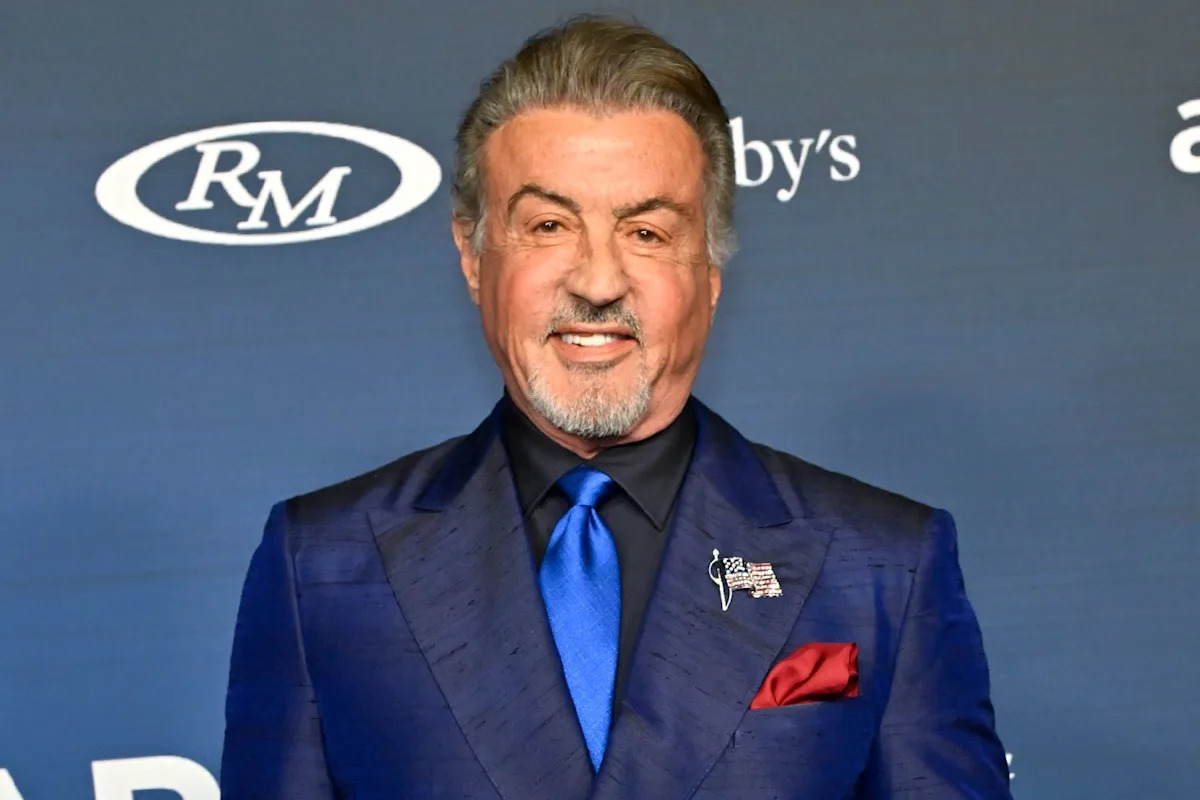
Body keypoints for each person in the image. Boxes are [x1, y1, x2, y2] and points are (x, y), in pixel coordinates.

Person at [220, 15, 1012, 800]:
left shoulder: (883, 568)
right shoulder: (323, 568)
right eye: (549, 225)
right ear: (472, 254)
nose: (598, 282)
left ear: (711, 269)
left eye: (647, 232)